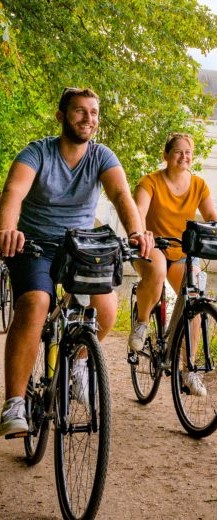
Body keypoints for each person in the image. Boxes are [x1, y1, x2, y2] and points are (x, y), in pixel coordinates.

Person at [0, 87, 154, 437]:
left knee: (107, 309)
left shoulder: (101, 156)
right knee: (36, 303)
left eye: (94, 112)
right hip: (34, 245)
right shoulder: (37, 152)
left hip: (80, 249)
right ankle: (14, 403)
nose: (89, 119)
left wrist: (137, 232)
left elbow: (120, 195)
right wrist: (7, 229)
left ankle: (78, 364)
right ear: (61, 117)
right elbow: (14, 192)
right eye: (80, 111)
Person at [128, 132, 217, 397]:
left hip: (182, 252)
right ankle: (142, 323)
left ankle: (187, 369)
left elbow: (212, 216)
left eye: (188, 152)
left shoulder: (199, 185)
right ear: (166, 155)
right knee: (156, 272)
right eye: (178, 152)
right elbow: (138, 213)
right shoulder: (150, 182)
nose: (184, 157)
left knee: (195, 293)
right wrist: (141, 233)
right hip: (152, 245)